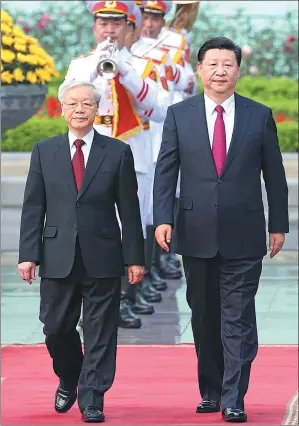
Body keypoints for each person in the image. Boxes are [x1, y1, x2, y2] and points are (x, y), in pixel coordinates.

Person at [153, 37, 289, 423]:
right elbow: (166, 172)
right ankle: (210, 390)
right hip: (194, 231)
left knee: (239, 315)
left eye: (227, 64)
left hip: (244, 233)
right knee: (204, 315)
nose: (220, 71)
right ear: (200, 70)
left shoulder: (258, 115)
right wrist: (164, 217)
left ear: (238, 71)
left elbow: (274, 176)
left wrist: (278, 224)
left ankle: (234, 396)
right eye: (212, 64)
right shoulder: (180, 115)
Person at [17, 80, 145, 423]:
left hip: (103, 254)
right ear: (62, 109)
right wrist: (28, 254)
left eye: (86, 104)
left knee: (100, 329)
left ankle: (93, 398)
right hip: (57, 254)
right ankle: (70, 374)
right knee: (55, 327)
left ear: (97, 109)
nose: (79, 110)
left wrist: (134, 257)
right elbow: (33, 207)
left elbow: (129, 210)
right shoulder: (44, 151)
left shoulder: (117, 152)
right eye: (72, 104)